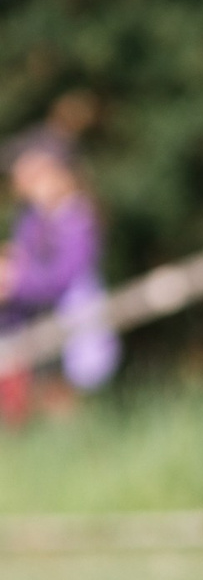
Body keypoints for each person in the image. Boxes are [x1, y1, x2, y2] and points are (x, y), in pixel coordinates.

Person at [0, 133, 120, 419]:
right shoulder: (31, 220)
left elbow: (61, 278)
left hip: (70, 315)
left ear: (62, 174)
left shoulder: (78, 220)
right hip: (31, 313)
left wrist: (16, 280)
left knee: (63, 392)